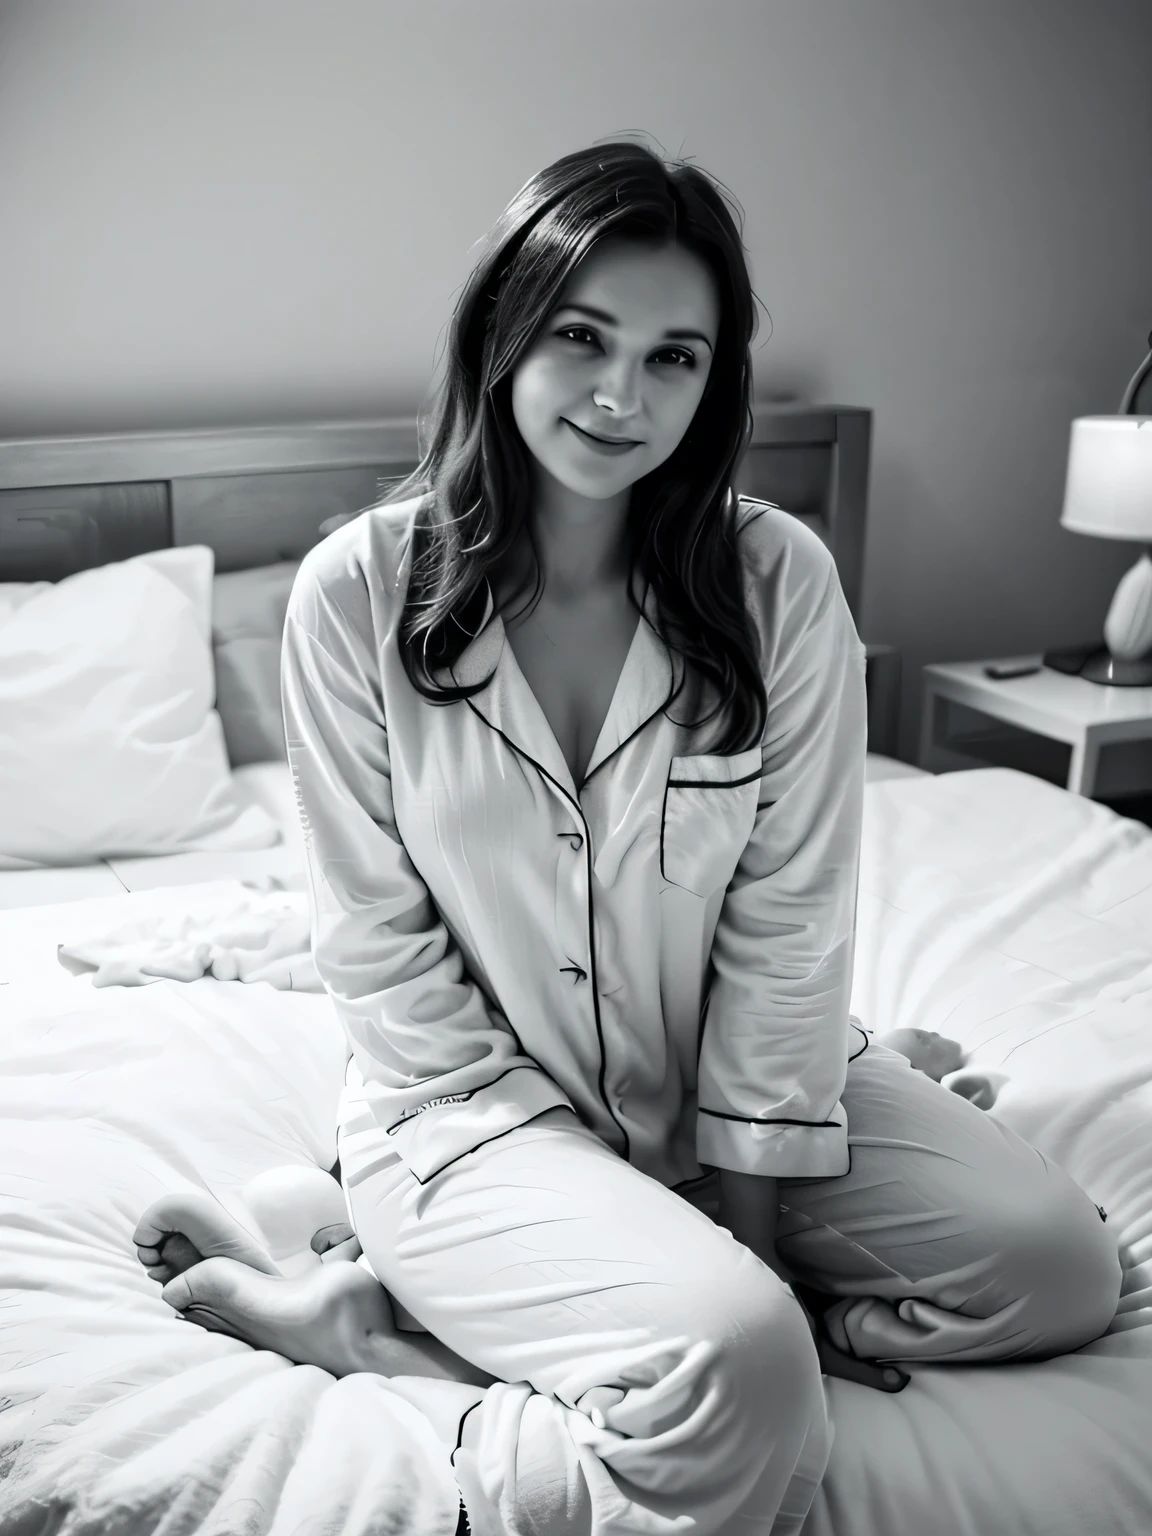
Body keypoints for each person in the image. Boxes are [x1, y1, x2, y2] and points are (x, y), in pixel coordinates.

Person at [134, 139, 1121, 1536]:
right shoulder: (355, 594)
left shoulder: (777, 582)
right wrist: (732, 1295)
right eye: (583, 338)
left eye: (676, 357)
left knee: (1058, 1273)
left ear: (717, 381)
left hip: (738, 1084)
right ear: (503, 333)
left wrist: (751, 1225)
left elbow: (792, 922)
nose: (622, 394)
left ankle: (498, 1307)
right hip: (470, 1118)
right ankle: (391, 1340)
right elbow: (378, 950)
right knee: (743, 1362)